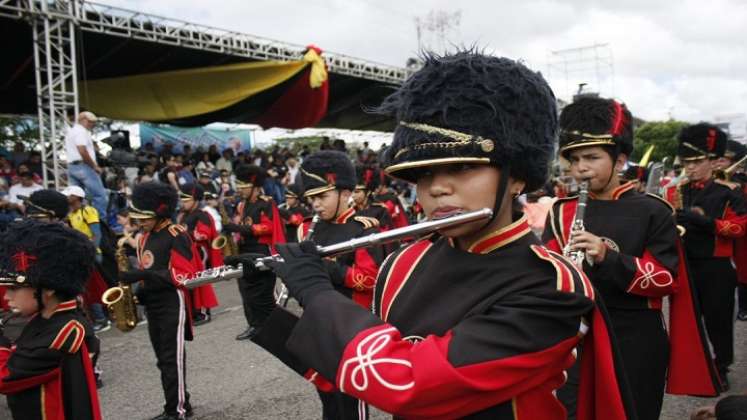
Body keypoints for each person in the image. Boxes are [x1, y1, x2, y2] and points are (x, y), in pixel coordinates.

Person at [252, 51, 634, 420]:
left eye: (463, 166)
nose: (436, 189)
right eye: (423, 174)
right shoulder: (404, 263)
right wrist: (264, 309)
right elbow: (358, 373)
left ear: (518, 175)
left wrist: (318, 293)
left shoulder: (552, 286)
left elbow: (409, 383)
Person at [543, 98, 719, 420]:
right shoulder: (560, 211)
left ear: (621, 159)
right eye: (574, 158)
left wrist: (608, 257)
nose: (580, 167)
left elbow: (666, 279)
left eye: (592, 157)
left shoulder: (652, 210)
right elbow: (544, 273)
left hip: (635, 335)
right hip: (577, 333)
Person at [663, 123, 747, 391]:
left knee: (718, 320)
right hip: (686, 265)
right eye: (687, 162)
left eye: (697, 161)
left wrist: (707, 223)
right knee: (686, 320)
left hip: (716, 266)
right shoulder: (679, 190)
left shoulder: (728, 192)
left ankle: (721, 366)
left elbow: (740, 227)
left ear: (713, 161)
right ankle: (691, 368)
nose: (690, 167)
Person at [0, 219, 102, 420]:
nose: (5, 297)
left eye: (14, 289)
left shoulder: (62, 332)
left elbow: (5, 378)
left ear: (48, 288)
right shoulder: (48, 319)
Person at [118, 182, 202, 420]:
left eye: (145, 218)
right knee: (162, 360)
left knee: (171, 358)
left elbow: (185, 275)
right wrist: (139, 291)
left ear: (160, 213)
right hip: (154, 302)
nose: (140, 223)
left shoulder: (176, 234)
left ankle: (177, 411)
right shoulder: (145, 237)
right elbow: (149, 267)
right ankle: (176, 404)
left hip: (171, 301)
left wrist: (143, 275)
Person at [222, 165, 285, 341]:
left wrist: (243, 228)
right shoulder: (242, 206)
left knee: (261, 294)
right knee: (246, 292)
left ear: (255, 187)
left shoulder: (266, 203)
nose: (240, 191)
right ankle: (254, 325)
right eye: (240, 187)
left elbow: (269, 227)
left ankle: (273, 326)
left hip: (260, 251)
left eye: (244, 187)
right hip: (244, 250)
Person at [63, 185, 111, 333]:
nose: (66, 198)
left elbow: (96, 235)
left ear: (77, 197)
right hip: (82, 253)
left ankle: (102, 319)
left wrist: (90, 252)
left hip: (92, 254)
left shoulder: (88, 211)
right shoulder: (71, 215)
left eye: (68, 195)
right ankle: (101, 317)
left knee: (91, 286)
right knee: (89, 287)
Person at [177, 183, 220, 325]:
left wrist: (186, 234)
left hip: (200, 252)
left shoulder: (202, 215)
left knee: (200, 281)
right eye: (183, 200)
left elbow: (203, 234)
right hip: (186, 252)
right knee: (190, 282)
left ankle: (203, 312)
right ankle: (194, 311)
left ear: (195, 200)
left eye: (186, 200)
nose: (184, 203)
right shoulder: (183, 216)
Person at [65, 111, 109, 218]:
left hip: (72, 166)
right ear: (82, 120)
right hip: (83, 166)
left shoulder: (71, 131)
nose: (92, 124)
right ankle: (100, 224)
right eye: (90, 122)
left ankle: (77, 221)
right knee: (99, 196)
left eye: (93, 122)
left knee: (75, 196)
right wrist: (94, 166)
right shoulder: (81, 132)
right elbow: (82, 150)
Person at [353, 165, 394, 231]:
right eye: (352, 192)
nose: (353, 195)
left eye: (357, 192)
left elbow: (386, 233)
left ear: (368, 192)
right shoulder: (351, 210)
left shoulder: (381, 210)